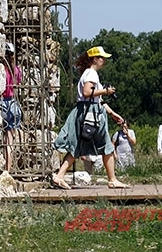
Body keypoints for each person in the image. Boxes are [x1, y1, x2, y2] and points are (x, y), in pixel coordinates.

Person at [51, 46, 129, 189]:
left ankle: (59, 176)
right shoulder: (91, 74)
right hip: (91, 114)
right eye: (102, 58)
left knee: (78, 146)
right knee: (106, 144)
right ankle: (112, 179)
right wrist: (106, 91)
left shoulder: (88, 73)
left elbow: (95, 98)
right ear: (95, 59)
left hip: (86, 111)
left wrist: (112, 113)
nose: (104, 61)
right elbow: (87, 92)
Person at [0, 43, 23, 172]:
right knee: (9, 140)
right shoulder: (16, 70)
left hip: (1, 102)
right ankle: (8, 169)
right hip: (13, 104)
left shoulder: (0, 70)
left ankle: (1, 168)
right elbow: (17, 83)